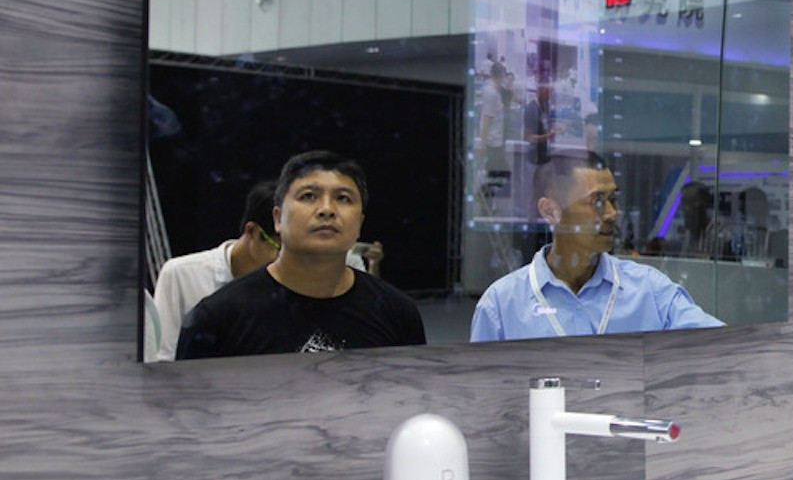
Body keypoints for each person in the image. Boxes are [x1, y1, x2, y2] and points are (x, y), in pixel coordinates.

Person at [177, 151, 426, 358]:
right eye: (309, 196)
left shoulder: (397, 314)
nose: (327, 209)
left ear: (359, 223)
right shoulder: (217, 319)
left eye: (343, 198)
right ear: (278, 219)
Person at [470, 151, 721, 340]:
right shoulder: (502, 306)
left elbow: (721, 345)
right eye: (597, 201)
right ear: (550, 211)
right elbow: (480, 388)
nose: (612, 214)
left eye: (613, 200)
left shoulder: (650, 292)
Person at [146, 181, 280, 361]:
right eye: (279, 247)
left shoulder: (288, 285)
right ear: (252, 231)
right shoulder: (180, 275)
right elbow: (163, 359)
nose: (286, 258)